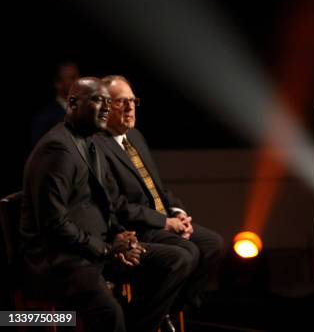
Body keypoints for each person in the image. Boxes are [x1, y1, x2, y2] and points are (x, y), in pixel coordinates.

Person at [21, 77, 192, 332]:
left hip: (95, 249)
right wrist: (106, 250)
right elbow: (54, 224)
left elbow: (103, 204)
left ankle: (137, 326)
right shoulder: (57, 149)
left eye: (107, 102)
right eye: (97, 101)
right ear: (73, 103)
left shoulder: (89, 143)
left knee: (176, 260)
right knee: (110, 314)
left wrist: (121, 238)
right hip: (62, 260)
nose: (105, 108)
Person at [95, 75, 224, 316]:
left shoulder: (135, 137)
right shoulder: (98, 146)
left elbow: (156, 187)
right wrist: (165, 222)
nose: (130, 107)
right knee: (188, 253)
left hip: (162, 218)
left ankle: (171, 309)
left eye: (133, 101)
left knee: (213, 244)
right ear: (104, 106)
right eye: (121, 101)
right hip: (136, 227)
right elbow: (117, 206)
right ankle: (147, 316)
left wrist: (178, 213)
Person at [30, 61, 80, 146]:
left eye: (78, 77)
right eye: (72, 78)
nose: (79, 81)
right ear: (58, 84)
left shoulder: (84, 112)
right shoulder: (45, 118)